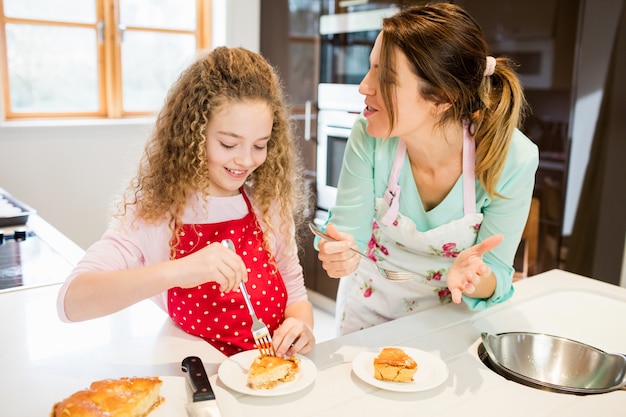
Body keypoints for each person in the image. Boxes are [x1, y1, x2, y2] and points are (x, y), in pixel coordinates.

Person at [56, 46, 315, 357]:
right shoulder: (157, 212)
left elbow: (295, 293)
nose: (246, 160)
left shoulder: (267, 203)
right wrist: (179, 270)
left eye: (260, 145)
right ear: (193, 134)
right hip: (201, 380)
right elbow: (71, 302)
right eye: (228, 143)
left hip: (275, 375)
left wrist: (302, 326)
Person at [316, 3, 539, 335]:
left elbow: (496, 276)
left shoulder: (512, 159)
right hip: (368, 309)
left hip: (448, 322)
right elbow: (349, 235)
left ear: (441, 96)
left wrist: (474, 278)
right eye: (370, 67)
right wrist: (338, 253)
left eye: (386, 76)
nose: (364, 86)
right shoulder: (369, 135)